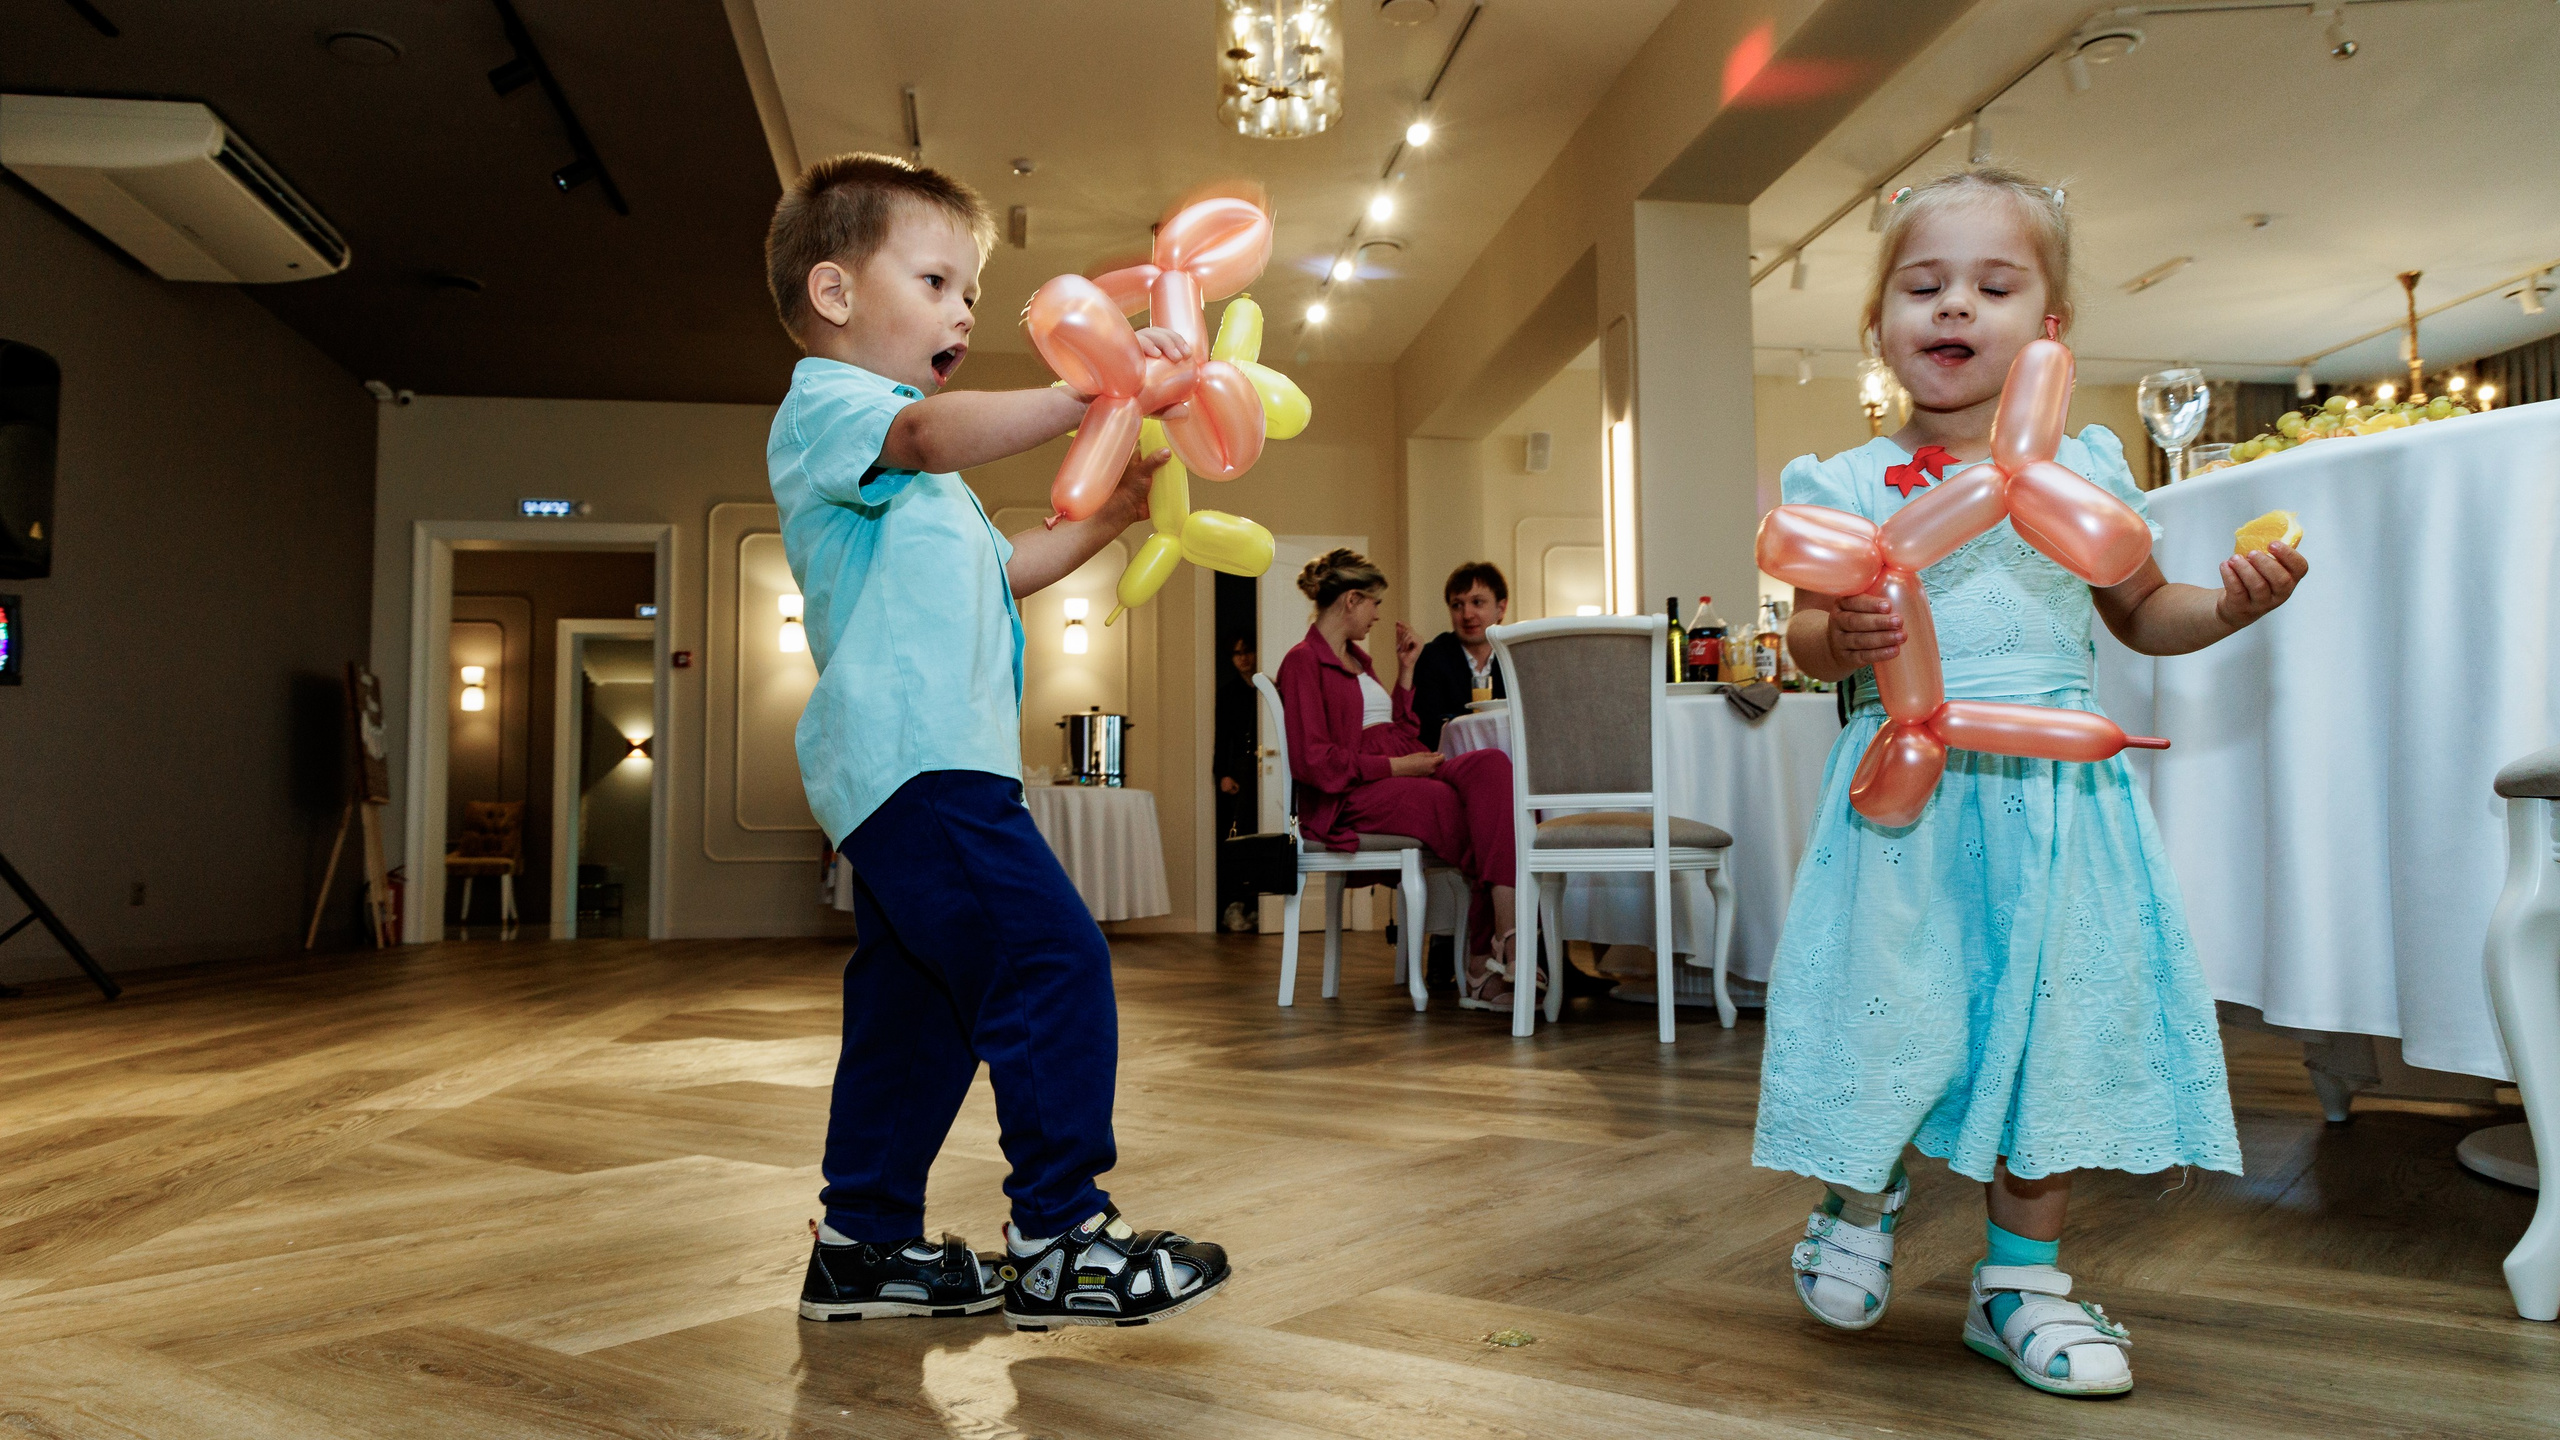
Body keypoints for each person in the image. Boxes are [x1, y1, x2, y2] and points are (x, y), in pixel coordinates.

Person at [1751, 169, 2306, 1397]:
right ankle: (1858, 1196)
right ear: (1879, 324)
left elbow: (2144, 611)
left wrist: (2228, 608)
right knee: (1888, 1011)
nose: (1954, 305)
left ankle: (2019, 1284)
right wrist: (1839, 638)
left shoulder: (2086, 464)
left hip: (2057, 806)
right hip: (1905, 806)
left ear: (2047, 327)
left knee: (2050, 1031)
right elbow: (1803, 639)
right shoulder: (1841, 481)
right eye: (1923, 285)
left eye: (1992, 286)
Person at [765, 152, 1229, 1333]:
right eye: (935, 282)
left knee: (915, 1009)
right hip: (918, 760)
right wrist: (1088, 393)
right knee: (1049, 962)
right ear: (833, 292)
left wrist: (1108, 519)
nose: (964, 312)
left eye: (970, 292)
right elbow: (929, 434)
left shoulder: (920, 479)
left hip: (916, 766)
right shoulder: (835, 407)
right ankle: (1061, 1235)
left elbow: (1004, 569)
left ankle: (864, 1245)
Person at [1274, 549, 1527, 1009]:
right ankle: (1485, 960)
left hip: (1395, 765)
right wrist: (1397, 768)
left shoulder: (1359, 659)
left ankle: (1508, 933)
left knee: (1491, 767)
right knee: (1459, 810)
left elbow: (1397, 732)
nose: (1376, 615)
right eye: (1374, 603)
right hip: (1349, 795)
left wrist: (1406, 673)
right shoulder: (1302, 662)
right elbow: (1313, 762)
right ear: (1352, 600)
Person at [1410, 561, 1509, 751]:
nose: (1467, 615)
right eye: (1457, 605)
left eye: (1477, 602)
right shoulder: (1431, 658)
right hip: (1450, 762)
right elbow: (1427, 731)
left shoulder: (1516, 658)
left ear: (1501, 608)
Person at [1213, 636, 1260, 931]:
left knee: (1263, 830)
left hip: (1266, 766)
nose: (1243, 658)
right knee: (1239, 832)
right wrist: (1222, 774)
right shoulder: (1229, 693)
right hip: (1240, 768)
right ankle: (1235, 904)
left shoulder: (1268, 689)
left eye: (1247, 651)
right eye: (1237, 653)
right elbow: (1222, 738)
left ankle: (1257, 905)